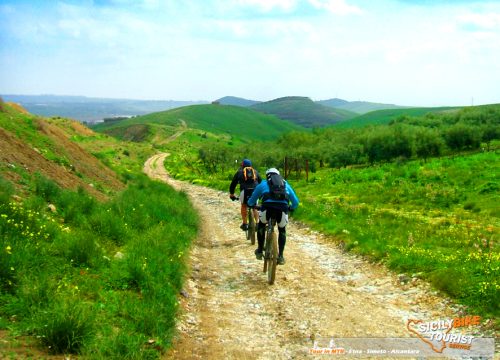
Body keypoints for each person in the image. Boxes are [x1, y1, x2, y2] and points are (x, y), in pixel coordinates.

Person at [247, 168, 299, 265]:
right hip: (282, 209)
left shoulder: (263, 184)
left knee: (262, 225)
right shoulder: (286, 184)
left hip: (267, 209)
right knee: (282, 230)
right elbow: (295, 202)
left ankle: (259, 250)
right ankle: (281, 256)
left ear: (268, 176)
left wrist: (251, 204)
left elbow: (252, 199)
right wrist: (291, 208)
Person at [229, 159, 262, 231]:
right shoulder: (255, 172)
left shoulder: (239, 172)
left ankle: (245, 224)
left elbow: (233, 184)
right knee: (254, 207)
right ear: (251, 165)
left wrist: (232, 194)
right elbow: (261, 182)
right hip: (255, 191)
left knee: (244, 205)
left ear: (242, 165)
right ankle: (257, 223)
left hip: (244, 191)